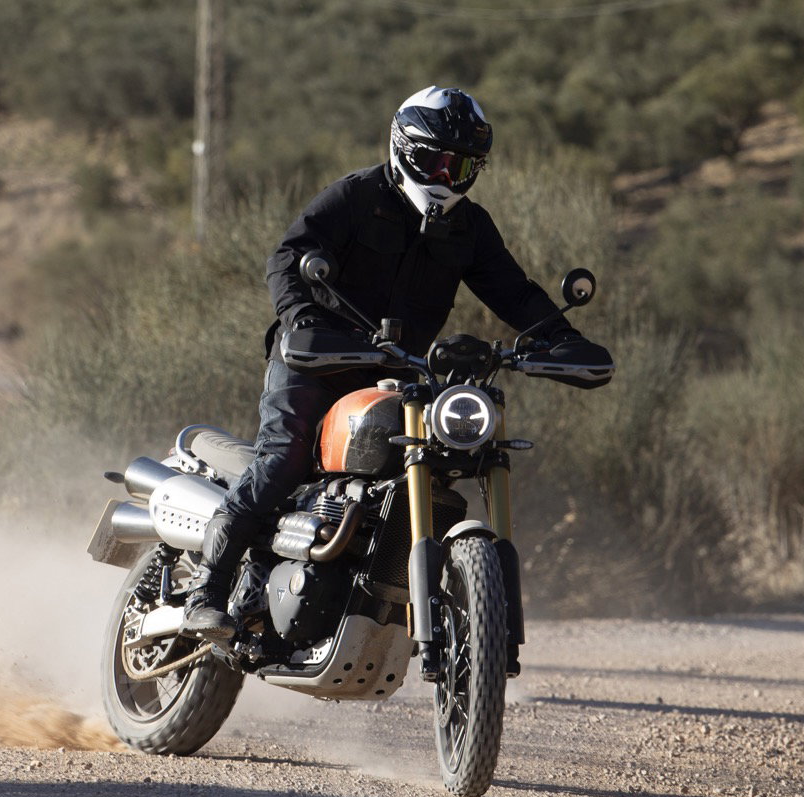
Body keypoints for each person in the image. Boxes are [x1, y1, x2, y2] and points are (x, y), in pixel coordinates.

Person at [182, 85, 610, 638]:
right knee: (284, 459)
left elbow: (515, 292)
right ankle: (206, 591)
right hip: (317, 357)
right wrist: (302, 320)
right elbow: (287, 257)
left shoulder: (470, 227)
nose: (447, 175)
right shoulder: (357, 196)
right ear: (404, 148)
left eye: (462, 165)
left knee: (434, 462)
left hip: (399, 370)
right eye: (436, 159)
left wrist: (562, 338)